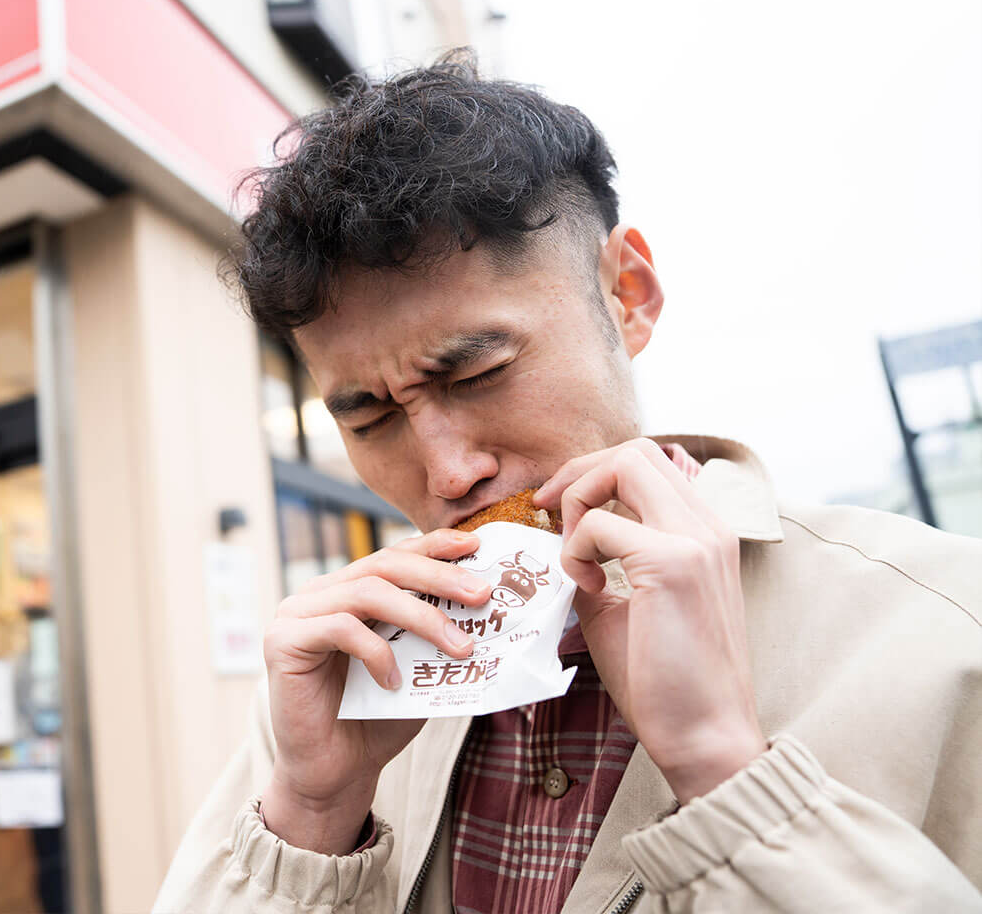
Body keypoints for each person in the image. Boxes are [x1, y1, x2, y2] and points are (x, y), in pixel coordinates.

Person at [152, 49, 982, 913]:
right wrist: (310, 813)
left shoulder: (947, 629)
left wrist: (720, 764)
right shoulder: (343, 684)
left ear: (629, 294)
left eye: (476, 374)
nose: (448, 470)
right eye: (370, 418)